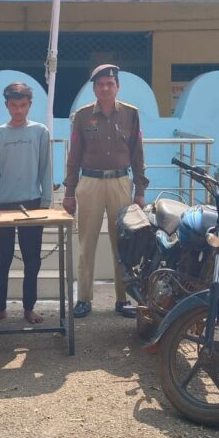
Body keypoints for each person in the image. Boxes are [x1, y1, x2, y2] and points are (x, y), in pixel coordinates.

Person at [62, 63, 148, 318]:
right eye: (100, 85)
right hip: (90, 183)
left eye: (110, 84)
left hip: (120, 182)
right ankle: (84, 299)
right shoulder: (82, 116)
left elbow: (138, 154)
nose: (105, 88)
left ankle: (122, 299)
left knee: (122, 244)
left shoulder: (131, 114)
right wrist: (69, 192)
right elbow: (74, 156)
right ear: (94, 89)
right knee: (86, 243)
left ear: (117, 87)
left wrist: (140, 190)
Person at [0, 82, 52, 327]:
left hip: (32, 204)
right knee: (2, 260)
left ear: (30, 105)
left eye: (23, 105)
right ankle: (0, 308)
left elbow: (45, 169)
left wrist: (46, 203)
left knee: (32, 260)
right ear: (7, 105)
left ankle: (28, 307)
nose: (19, 110)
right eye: (14, 105)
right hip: (3, 204)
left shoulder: (40, 132)